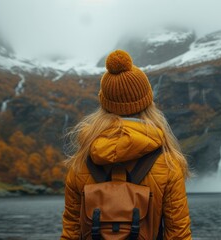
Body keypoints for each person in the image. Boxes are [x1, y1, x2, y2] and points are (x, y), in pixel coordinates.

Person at [61, 50, 192, 240]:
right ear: (148, 102)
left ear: (104, 103)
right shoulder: (169, 164)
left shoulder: (80, 163)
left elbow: (70, 234)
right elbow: (178, 236)